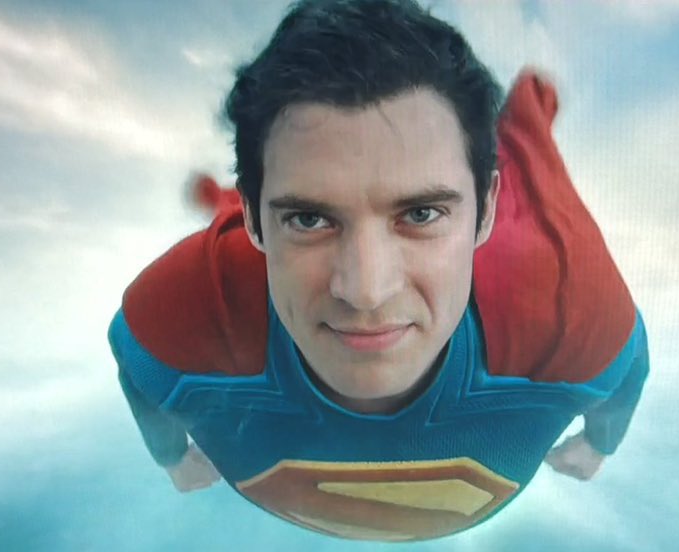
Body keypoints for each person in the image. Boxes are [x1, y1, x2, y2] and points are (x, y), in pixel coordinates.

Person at [108, 0, 649, 542]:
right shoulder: (190, 305)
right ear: (253, 219)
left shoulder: (567, 308)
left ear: (486, 211)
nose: (366, 292)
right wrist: (597, 444)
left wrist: (174, 458)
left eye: (421, 214)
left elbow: (628, 366)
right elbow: (136, 364)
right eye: (309, 218)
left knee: (527, 150)